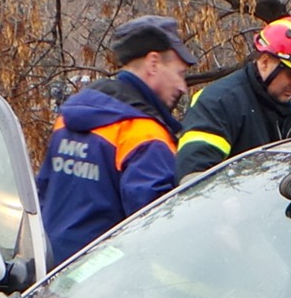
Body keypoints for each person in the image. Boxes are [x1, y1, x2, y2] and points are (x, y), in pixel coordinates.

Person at [35, 15, 195, 265]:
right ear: (153, 63)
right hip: (101, 281)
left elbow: (42, 193)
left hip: (48, 268)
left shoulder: (68, 116)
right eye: (180, 73)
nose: (183, 86)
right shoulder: (143, 134)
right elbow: (156, 227)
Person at [174, 14, 291, 179]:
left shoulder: (289, 114)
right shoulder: (218, 102)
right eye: (290, 74)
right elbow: (193, 178)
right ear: (265, 62)